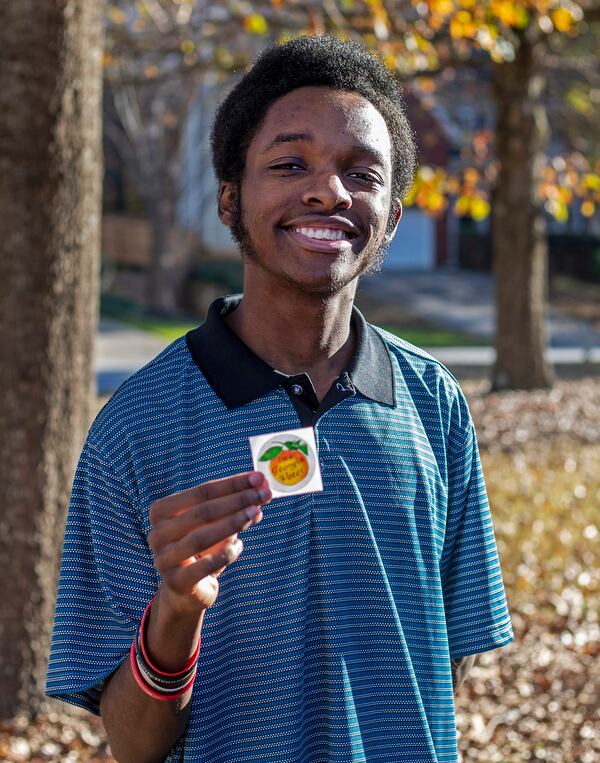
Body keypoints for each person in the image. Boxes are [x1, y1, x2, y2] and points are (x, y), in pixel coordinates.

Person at [46, 35, 513, 763]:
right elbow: (132, 746)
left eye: (362, 173)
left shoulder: (435, 406)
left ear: (390, 217)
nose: (329, 191)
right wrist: (175, 609)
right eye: (290, 164)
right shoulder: (133, 429)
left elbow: (444, 665)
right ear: (231, 198)